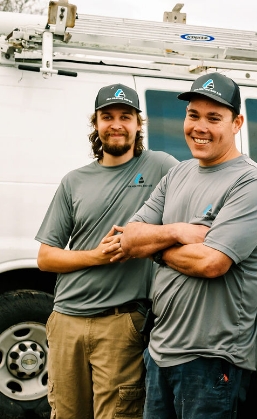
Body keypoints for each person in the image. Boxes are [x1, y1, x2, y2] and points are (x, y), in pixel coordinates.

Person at [119, 72, 257, 419]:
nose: (199, 127)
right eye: (193, 115)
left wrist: (155, 248)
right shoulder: (178, 174)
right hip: (159, 351)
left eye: (213, 118)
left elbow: (211, 263)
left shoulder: (252, 182)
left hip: (211, 362)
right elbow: (128, 238)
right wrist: (177, 231)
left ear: (237, 123)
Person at [35, 83, 178, 419]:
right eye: (107, 116)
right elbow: (46, 257)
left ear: (138, 124)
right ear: (96, 123)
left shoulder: (160, 166)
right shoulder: (74, 181)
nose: (116, 124)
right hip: (66, 319)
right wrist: (95, 256)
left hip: (121, 323)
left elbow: (197, 198)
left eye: (125, 116)